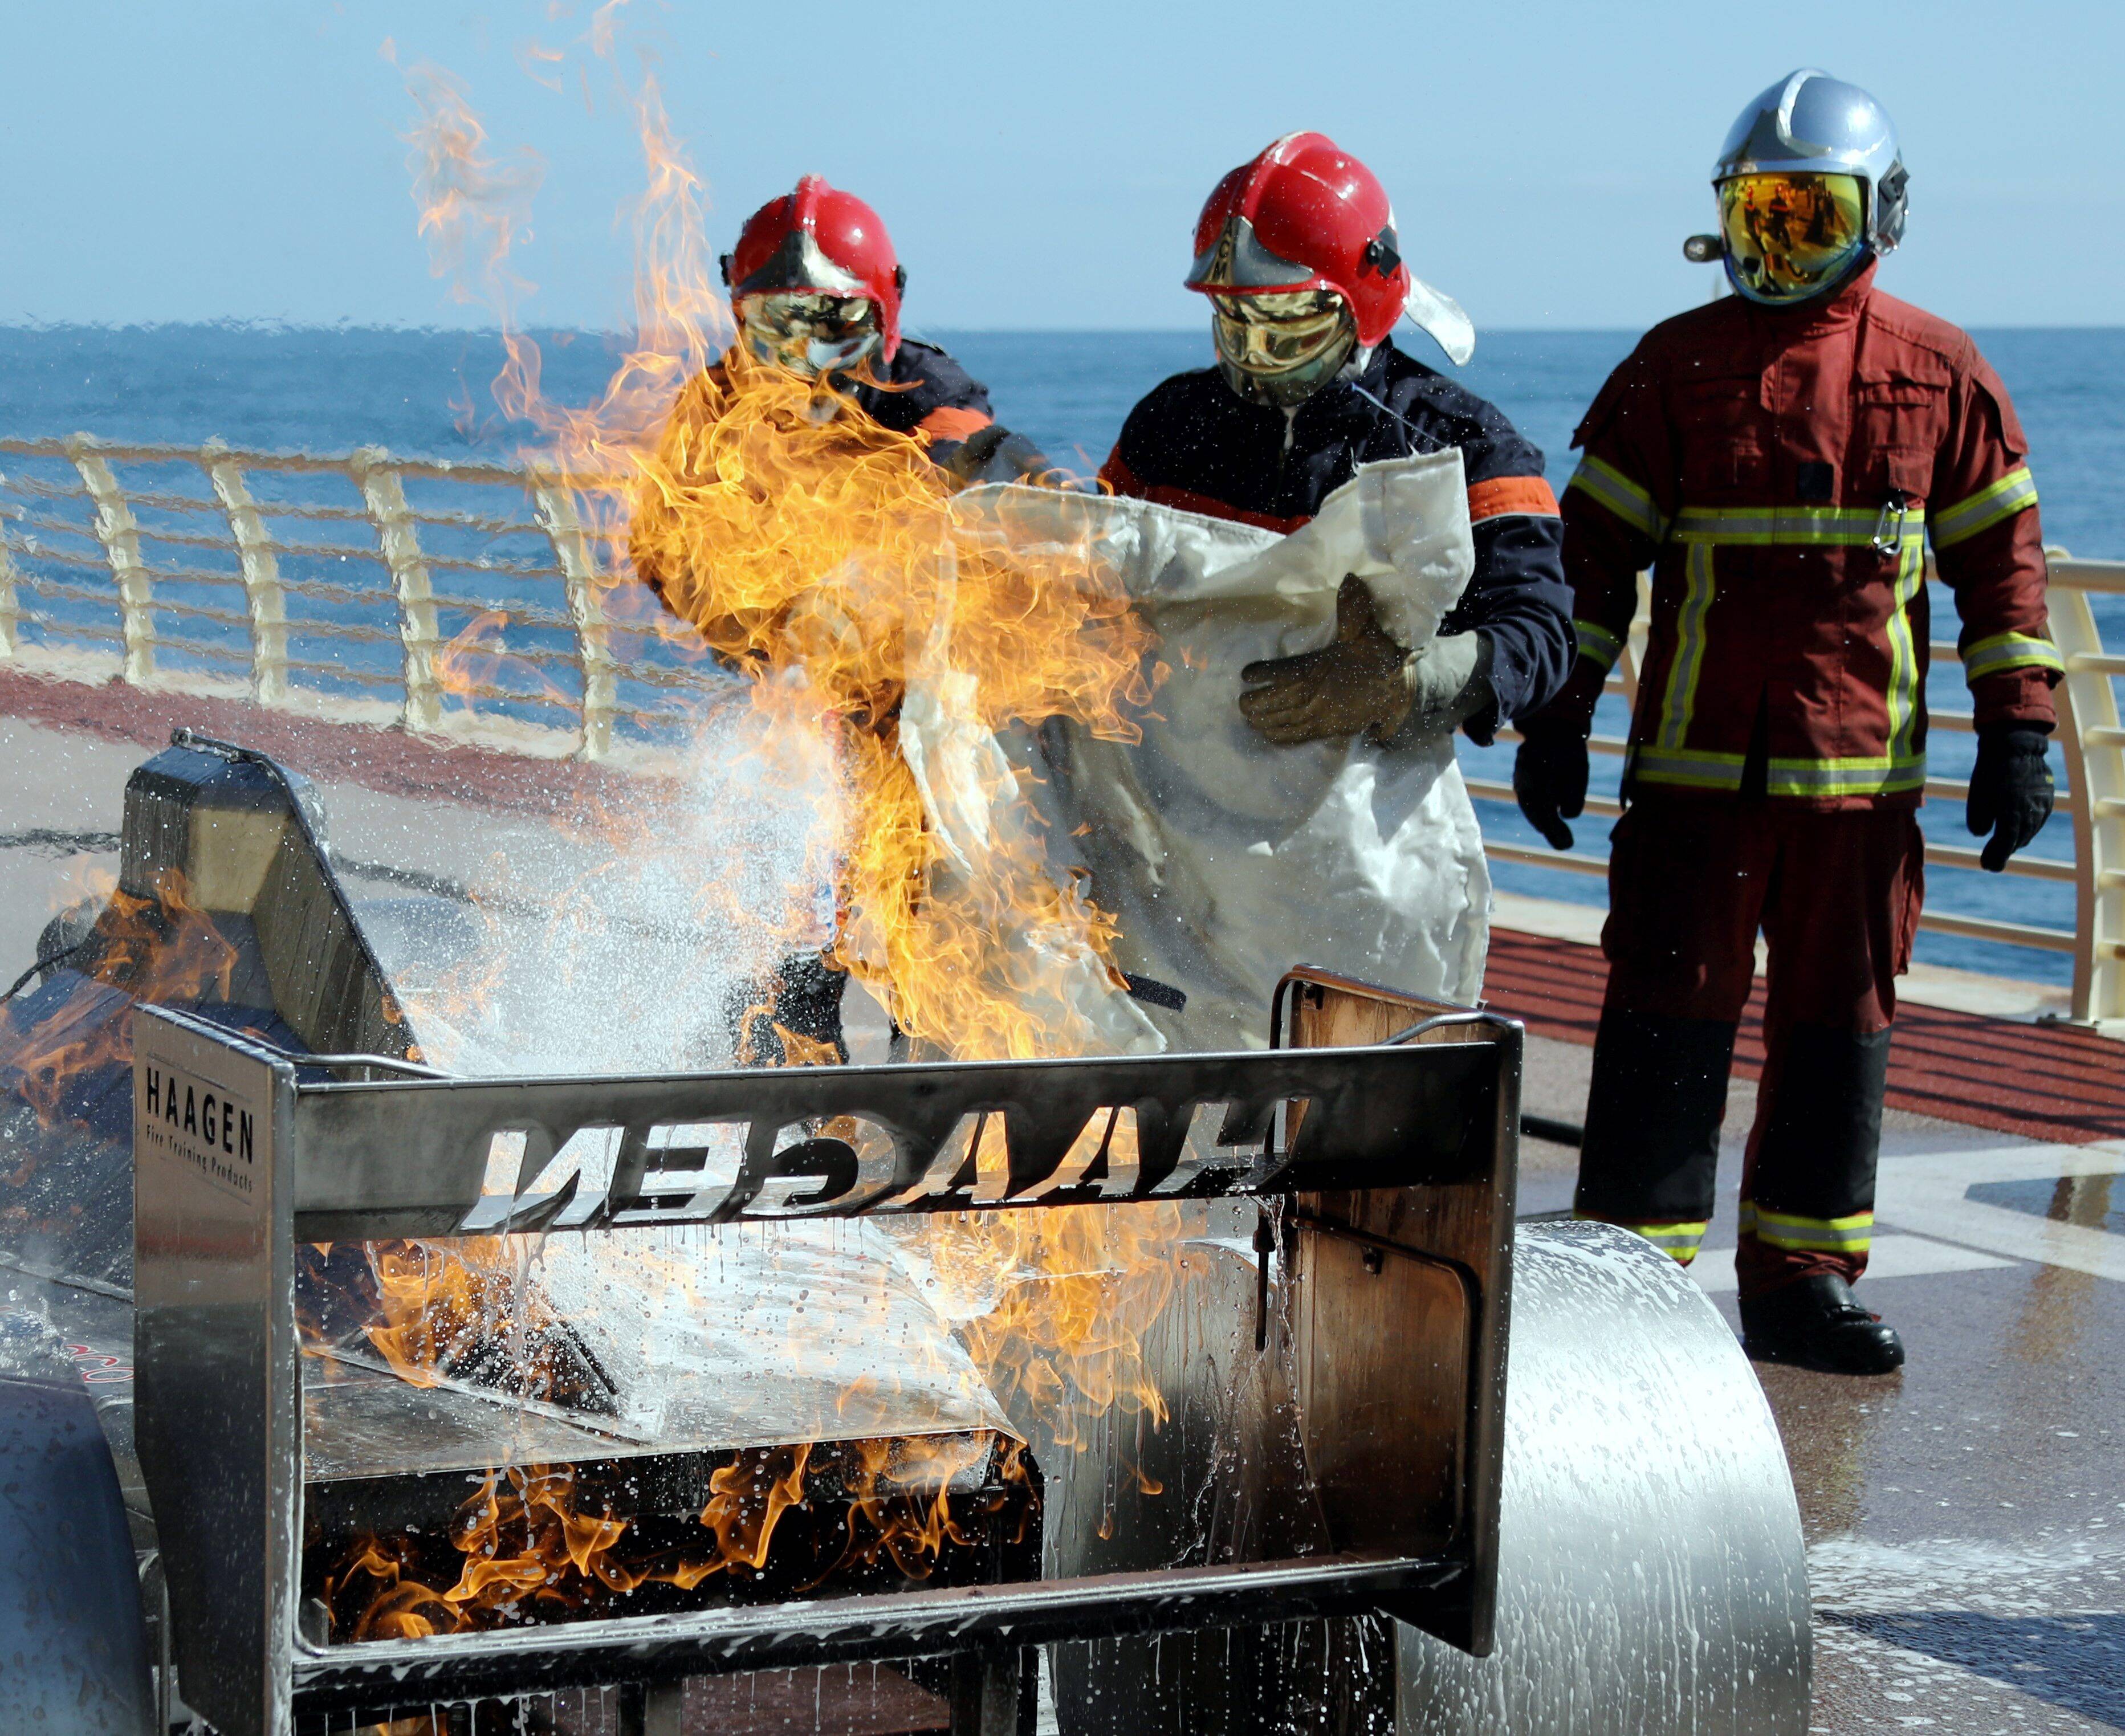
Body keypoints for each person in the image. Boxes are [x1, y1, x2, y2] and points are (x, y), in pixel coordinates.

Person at [1514, 71, 2058, 1374]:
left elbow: (2001, 565)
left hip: (1858, 798)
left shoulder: (1938, 373)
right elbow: (1588, 564)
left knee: (1837, 1030)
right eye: (1759, 218)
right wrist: (1556, 710)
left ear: (1879, 217)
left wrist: (2018, 729)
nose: (1780, 247)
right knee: (1661, 1022)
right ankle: (1629, 1284)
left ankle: (1800, 1286)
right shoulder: (1672, 368)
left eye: (1808, 218)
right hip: (1692, 793)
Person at [632, 174, 1052, 1062]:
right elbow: (664, 551)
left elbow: (994, 494)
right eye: (783, 326)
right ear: (744, 321)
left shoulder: (924, 394)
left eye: (835, 323)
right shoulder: (712, 411)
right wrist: (759, 626)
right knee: (780, 946)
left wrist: (880, 593)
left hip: (927, 715)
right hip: (799, 713)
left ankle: (927, 1128)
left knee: (933, 942)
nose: (810, 352)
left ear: (882, 315)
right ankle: (781, 1121)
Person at [1100, 131, 1573, 751]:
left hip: (1357, 830)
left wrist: (1405, 685)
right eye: (1235, 321)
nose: (1253, 359)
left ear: (1365, 305)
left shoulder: (1458, 445)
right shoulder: (1167, 423)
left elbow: (1539, 633)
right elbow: (1094, 593)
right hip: (1167, 814)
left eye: (1285, 326)